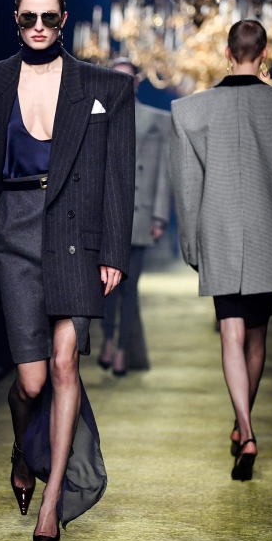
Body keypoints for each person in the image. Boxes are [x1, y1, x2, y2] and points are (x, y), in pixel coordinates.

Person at [0, 0, 135, 541]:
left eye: (49, 18)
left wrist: (114, 252)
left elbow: (119, 177)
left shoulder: (104, 86)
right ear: (16, 19)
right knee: (30, 383)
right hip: (15, 234)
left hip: (76, 234)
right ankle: (21, 448)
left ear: (63, 20)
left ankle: (52, 503)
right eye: (29, 17)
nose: (38, 28)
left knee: (64, 364)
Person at [168, 19, 272, 481]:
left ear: (226, 52)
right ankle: (244, 426)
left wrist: (191, 241)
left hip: (218, 232)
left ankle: (246, 429)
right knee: (257, 335)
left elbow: (187, 185)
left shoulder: (190, 111)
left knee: (230, 332)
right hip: (268, 234)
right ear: (265, 53)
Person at [99, 58, 171, 375]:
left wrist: (159, 217)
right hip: (104, 217)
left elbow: (163, 171)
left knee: (129, 288)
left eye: (127, 79)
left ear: (137, 83)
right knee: (105, 287)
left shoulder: (156, 119)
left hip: (138, 215)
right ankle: (108, 340)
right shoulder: (96, 117)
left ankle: (122, 351)